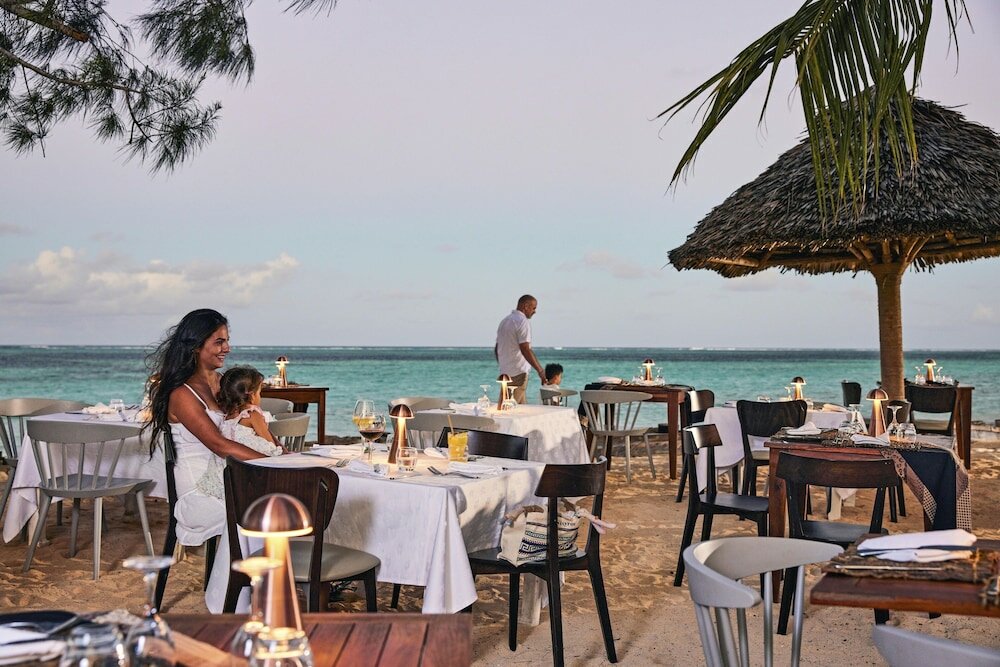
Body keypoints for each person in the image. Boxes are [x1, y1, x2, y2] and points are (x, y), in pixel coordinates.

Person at [146, 309, 270, 551]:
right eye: (219, 342)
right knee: (276, 508)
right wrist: (272, 465)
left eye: (227, 340)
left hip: (230, 479)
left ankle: (299, 577)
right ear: (196, 347)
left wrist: (285, 456)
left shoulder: (224, 383)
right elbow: (219, 445)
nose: (227, 348)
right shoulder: (182, 394)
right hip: (199, 494)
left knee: (302, 499)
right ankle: (245, 586)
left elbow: (249, 426)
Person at [195, 366, 283, 500]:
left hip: (227, 475)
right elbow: (270, 443)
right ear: (251, 395)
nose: (260, 397)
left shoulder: (227, 416)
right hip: (250, 471)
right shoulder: (252, 414)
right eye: (259, 393)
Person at [495, 294, 547, 404]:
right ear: (525, 306)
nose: (535, 311)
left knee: (523, 409)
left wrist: (503, 365)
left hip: (506, 372)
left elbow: (497, 348)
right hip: (519, 373)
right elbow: (525, 349)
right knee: (507, 410)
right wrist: (540, 371)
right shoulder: (523, 322)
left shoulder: (505, 321)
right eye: (533, 308)